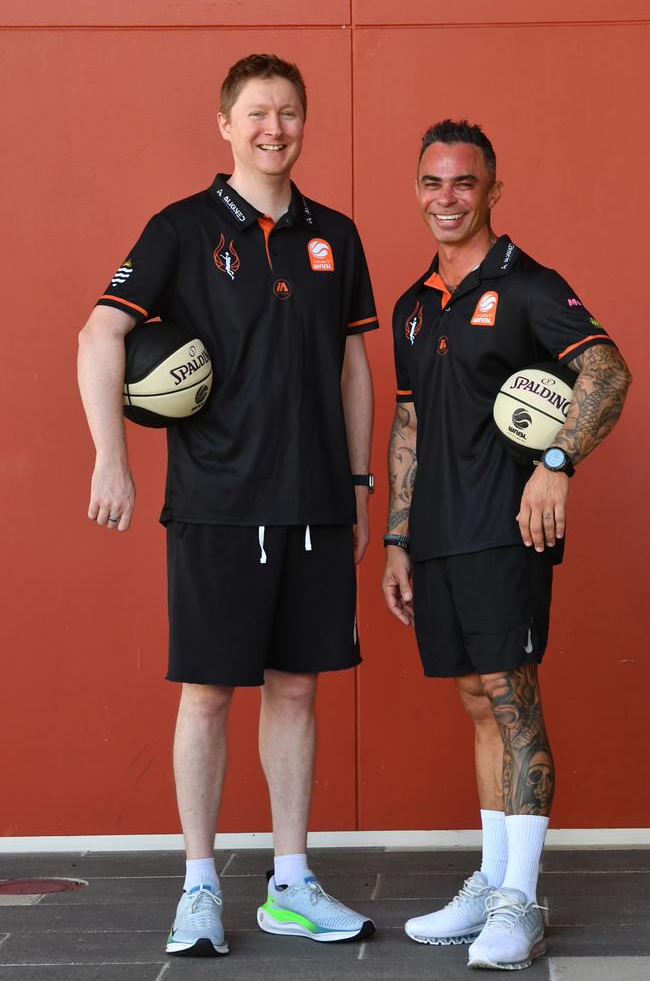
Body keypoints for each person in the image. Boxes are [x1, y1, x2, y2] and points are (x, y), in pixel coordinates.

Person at [78, 54, 378, 957]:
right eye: (257, 113)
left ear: (303, 123)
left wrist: (360, 487)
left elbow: (353, 366)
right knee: (208, 694)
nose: (273, 128)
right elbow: (100, 332)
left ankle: (291, 881)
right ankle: (200, 886)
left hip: (319, 501)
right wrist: (111, 456)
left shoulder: (338, 233)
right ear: (225, 124)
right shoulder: (180, 228)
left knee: (296, 687)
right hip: (217, 503)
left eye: (289, 112)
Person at [382, 119, 631, 971]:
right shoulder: (414, 306)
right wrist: (397, 538)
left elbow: (608, 370)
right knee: (477, 704)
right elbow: (409, 420)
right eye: (432, 182)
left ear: (493, 188)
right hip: (440, 539)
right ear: (417, 188)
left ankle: (522, 903)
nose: (446, 198)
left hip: (507, 531)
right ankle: (493, 884)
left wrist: (556, 463)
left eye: (463, 183)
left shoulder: (529, 285)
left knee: (512, 700)